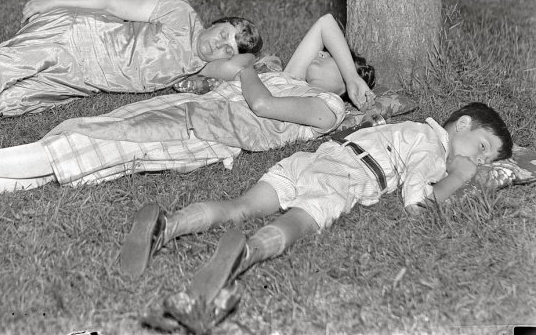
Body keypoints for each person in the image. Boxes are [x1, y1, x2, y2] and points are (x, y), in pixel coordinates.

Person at [0, 13, 376, 210]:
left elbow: (262, 104)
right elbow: (325, 24)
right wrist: (350, 71)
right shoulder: (297, 77)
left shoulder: (327, 108)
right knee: (83, 133)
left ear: (343, 85)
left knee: (89, 147)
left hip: (202, 132)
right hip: (187, 111)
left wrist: (248, 67)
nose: (318, 56)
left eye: (330, 61)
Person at [123, 102, 513, 330]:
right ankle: (247, 252)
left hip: (313, 159)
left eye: (485, 160)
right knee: (302, 219)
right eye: (481, 147)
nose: (478, 160)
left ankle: (166, 225)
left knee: (240, 207)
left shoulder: (408, 128)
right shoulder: (431, 147)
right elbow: (417, 205)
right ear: (461, 124)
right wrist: (459, 177)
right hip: (345, 176)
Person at [0, 0, 262, 127]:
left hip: (81, 79)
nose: (220, 47)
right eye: (223, 35)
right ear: (217, 21)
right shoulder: (178, 12)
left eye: (229, 50)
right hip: (74, 37)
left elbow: (246, 68)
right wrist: (53, 0)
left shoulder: (199, 69)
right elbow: (107, 3)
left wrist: (251, 61)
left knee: (6, 102)